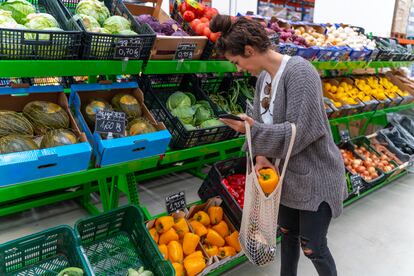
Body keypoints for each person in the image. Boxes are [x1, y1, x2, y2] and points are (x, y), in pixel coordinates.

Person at [210, 15, 348, 276]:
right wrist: (260, 155)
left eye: (237, 62)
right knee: (287, 235)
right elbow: (263, 124)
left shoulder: (300, 72)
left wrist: (250, 130)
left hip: (315, 177)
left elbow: (302, 132)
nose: (238, 69)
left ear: (249, 50)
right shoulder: (263, 79)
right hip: (284, 180)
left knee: (313, 247)